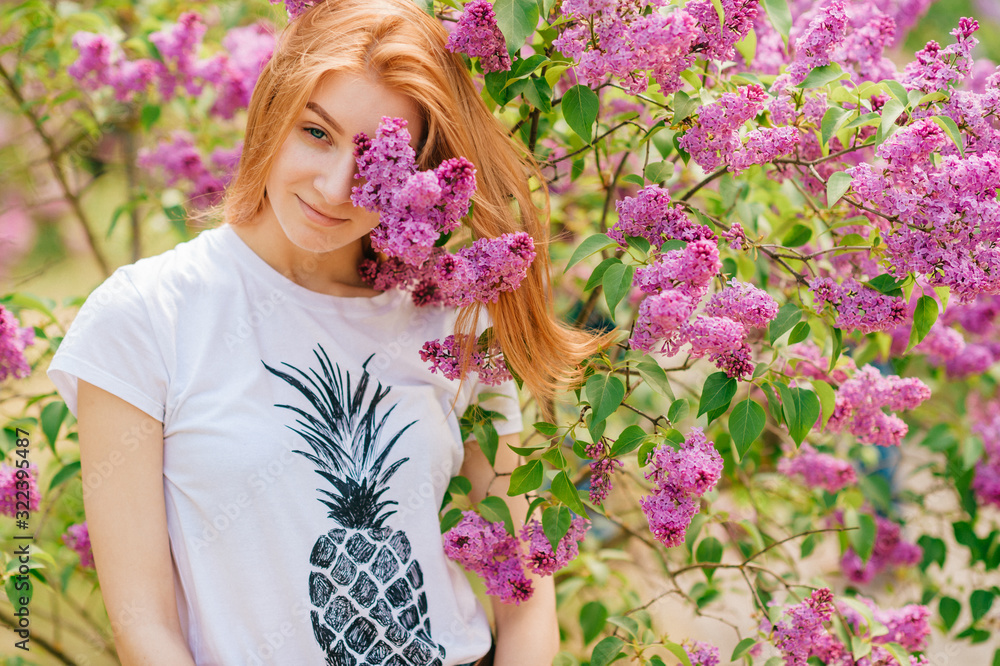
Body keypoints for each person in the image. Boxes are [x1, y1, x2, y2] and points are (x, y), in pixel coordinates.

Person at [47, 0, 601, 663]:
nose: (337, 188)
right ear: (274, 110)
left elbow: (524, 589)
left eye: (377, 158)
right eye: (317, 132)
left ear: (416, 173)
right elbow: (145, 627)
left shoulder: (450, 320)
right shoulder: (147, 315)